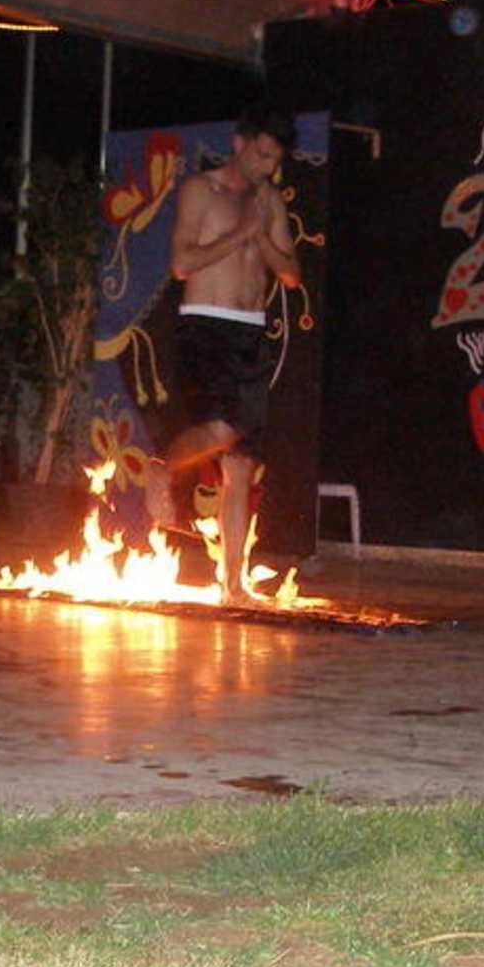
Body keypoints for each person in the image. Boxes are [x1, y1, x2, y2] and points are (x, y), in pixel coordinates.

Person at [144, 106, 302, 602]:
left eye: (275, 160)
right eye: (262, 155)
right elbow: (182, 263)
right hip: (205, 326)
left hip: (250, 331)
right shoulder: (201, 190)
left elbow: (291, 274)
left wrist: (262, 235)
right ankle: (161, 467)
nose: (267, 167)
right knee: (221, 430)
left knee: (241, 465)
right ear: (239, 144)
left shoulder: (269, 200)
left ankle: (232, 584)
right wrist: (239, 234)